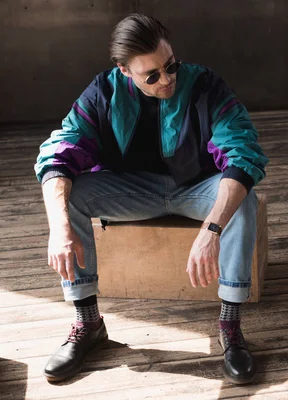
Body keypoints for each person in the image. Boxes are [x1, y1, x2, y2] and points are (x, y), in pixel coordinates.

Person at [34, 13, 268, 385]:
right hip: (132, 191)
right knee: (71, 195)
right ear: (125, 71)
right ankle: (88, 322)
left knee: (242, 199)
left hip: (197, 188)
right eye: (152, 75)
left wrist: (211, 230)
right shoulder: (103, 92)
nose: (167, 78)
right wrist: (59, 229)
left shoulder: (205, 85)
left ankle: (230, 326)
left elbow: (242, 151)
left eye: (170, 65)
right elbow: (59, 151)